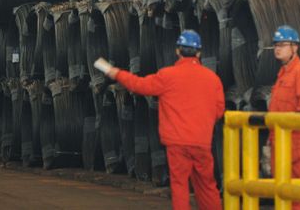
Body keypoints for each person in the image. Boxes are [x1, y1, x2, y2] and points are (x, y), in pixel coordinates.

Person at [95, 30, 224, 210]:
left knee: (180, 187)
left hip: (177, 143)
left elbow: (138, 85)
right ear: (199, 52)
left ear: (178, 51)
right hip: (201, 142)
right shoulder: (213, 79)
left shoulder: (167, 76)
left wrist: (115, 72)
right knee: (207, 187)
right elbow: (219, 111)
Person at [268, 25, 300, 210]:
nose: (277, 48)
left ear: (294, 48)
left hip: (295, 142)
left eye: (282, 44)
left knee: (297, 195)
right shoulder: (282, 74)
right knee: (282, 194)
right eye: (275, 45)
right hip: (279, 141)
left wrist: (290, 124)